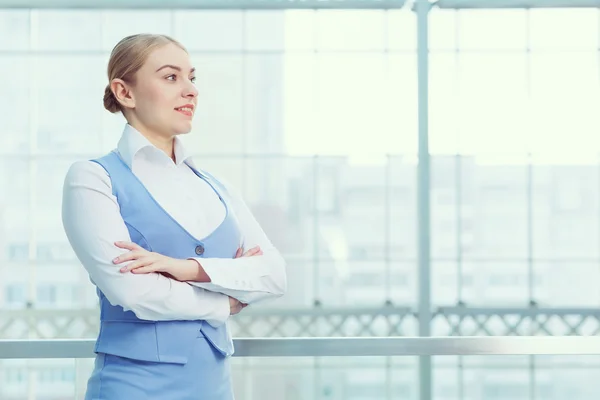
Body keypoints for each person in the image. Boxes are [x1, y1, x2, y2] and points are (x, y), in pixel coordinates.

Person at [61, 33, 287, 400]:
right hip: (133, 389)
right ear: (125, 92)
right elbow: (132, 290)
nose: (191, 91)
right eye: (171, 77)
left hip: (214, 387)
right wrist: (224, 300)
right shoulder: (92, 178)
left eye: (192, 78)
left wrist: (184, 268)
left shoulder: (217, 187)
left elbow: (274, 275)